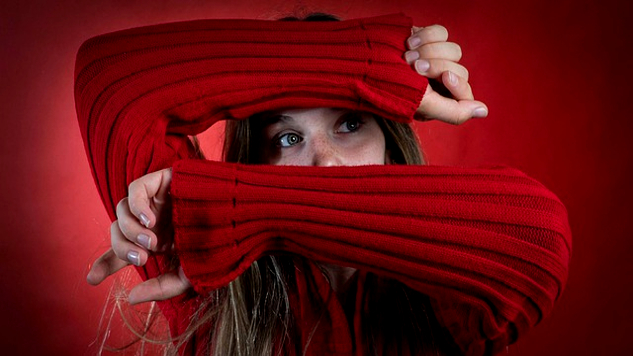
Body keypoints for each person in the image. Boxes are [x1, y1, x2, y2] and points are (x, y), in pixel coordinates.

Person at [76, 13, 570, 356]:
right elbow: (109, 82)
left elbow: (540, 237)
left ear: (391, 143)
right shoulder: (208, 281)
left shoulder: (441, 298)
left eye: (351, 124)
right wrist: (365, 60)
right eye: (288, 138)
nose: (326, 166)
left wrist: (230, 206)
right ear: (255, 161)